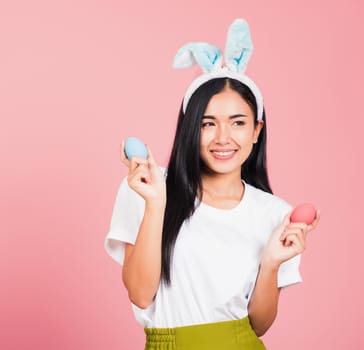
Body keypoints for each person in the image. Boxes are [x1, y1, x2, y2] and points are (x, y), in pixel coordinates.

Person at [104, 19, 320, 350]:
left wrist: (272, 262)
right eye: (208, 123)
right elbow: (140, 292)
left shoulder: (275, 214)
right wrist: (156, 204)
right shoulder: (149, 187)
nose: (223, 138)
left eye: (238, 122)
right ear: (191, 127)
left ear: (256, 130)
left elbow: (259, 325)